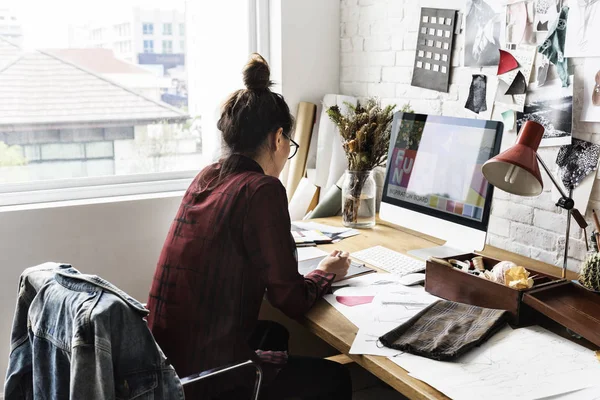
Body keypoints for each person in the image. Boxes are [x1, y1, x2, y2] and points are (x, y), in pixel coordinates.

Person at [146, 53, 352, 400]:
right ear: (278, 139)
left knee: (273, 333)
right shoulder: (262, 189)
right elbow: (290, 299)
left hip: (163, 366)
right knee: (335, 378)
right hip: (203, 380)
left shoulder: (208, 176)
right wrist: (326, 271)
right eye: (290, 144)